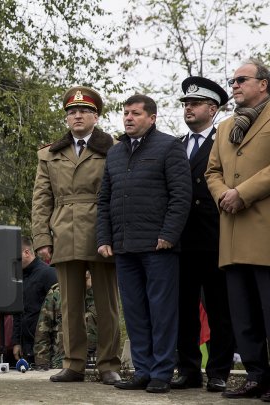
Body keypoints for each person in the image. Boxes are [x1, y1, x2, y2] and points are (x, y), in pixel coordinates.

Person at [97, 94, 191, 393]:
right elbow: (104, 200)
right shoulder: (115, 152)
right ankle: (143, 371)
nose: (128, 118)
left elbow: (181, 196)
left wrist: (169, 234)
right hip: (124, 247)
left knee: (162, 312)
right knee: (135, 312)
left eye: (135, 113)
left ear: (151, 118)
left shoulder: (169, 146)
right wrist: (104, 238)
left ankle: (162, 372)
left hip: (158, 247)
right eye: (125, 113)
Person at [32, 86, 122, 385]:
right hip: (64, 230)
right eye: (72, 112)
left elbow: (121, 193)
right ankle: (73, 363)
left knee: (106, 302)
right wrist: (42, 238)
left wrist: (116, 233)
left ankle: (109, 363)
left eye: (84, 111)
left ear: (96, 116)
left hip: (101, 230)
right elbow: (42, 198)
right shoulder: (50, 153)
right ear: (67, 118)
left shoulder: (113, 148)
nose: (78, 116)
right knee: (69, 304)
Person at [206, 58, 270, 400]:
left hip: (265, 233)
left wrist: (242, 194)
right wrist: (223, 195)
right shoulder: (224, 126)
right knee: (243, 316)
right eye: (232, 81)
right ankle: (257, 377)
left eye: (241, 79)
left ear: (263, 83)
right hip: (231, 235)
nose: (234, 85)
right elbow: (211, 171)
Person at [171, 76, 235, 393]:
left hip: (215, 237)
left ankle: (220, 370)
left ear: (212, 108)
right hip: (182, 240)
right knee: (184, 309)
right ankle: (188, 368)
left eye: (195, 104)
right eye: (186, 104)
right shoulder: (176, 145)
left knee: (220, 307)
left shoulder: (225, 141)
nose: (189, 109)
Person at [34, 271, 98, 370]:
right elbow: (43, 331)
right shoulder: (57, 292)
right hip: (62, 363)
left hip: (95, 363)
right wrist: (42, 364)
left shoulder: (103, 293)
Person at [12, 237, 57, 366]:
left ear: (27, 252)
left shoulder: (48, 273)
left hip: (47, 346)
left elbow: (59, 310)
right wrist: (16, 341)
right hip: (26, 347)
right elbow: (17, 312)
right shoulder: (17, 278)